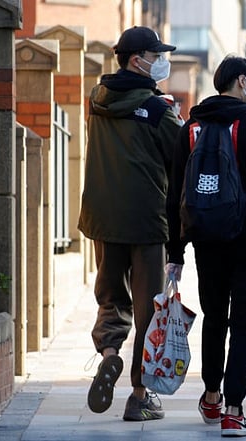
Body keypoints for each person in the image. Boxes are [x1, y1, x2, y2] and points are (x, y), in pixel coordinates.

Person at [165, 55, 246, 437]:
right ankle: (234, 410)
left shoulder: (191, 127)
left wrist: (176, 251)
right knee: (244, 323)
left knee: (215, 318)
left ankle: (212, 397)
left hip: (206, 239)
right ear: (242, 82)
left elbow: (175, 194)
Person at [77, 25, 180, 421]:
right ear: (138, 60)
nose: (161, 62)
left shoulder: (95, 99)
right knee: (148, 310)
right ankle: (139, 395)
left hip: (102, 217)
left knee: (110, 296)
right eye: (156, 56)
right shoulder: (157, 109)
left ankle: (108, 352)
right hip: (146, 220)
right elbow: (180, 154)